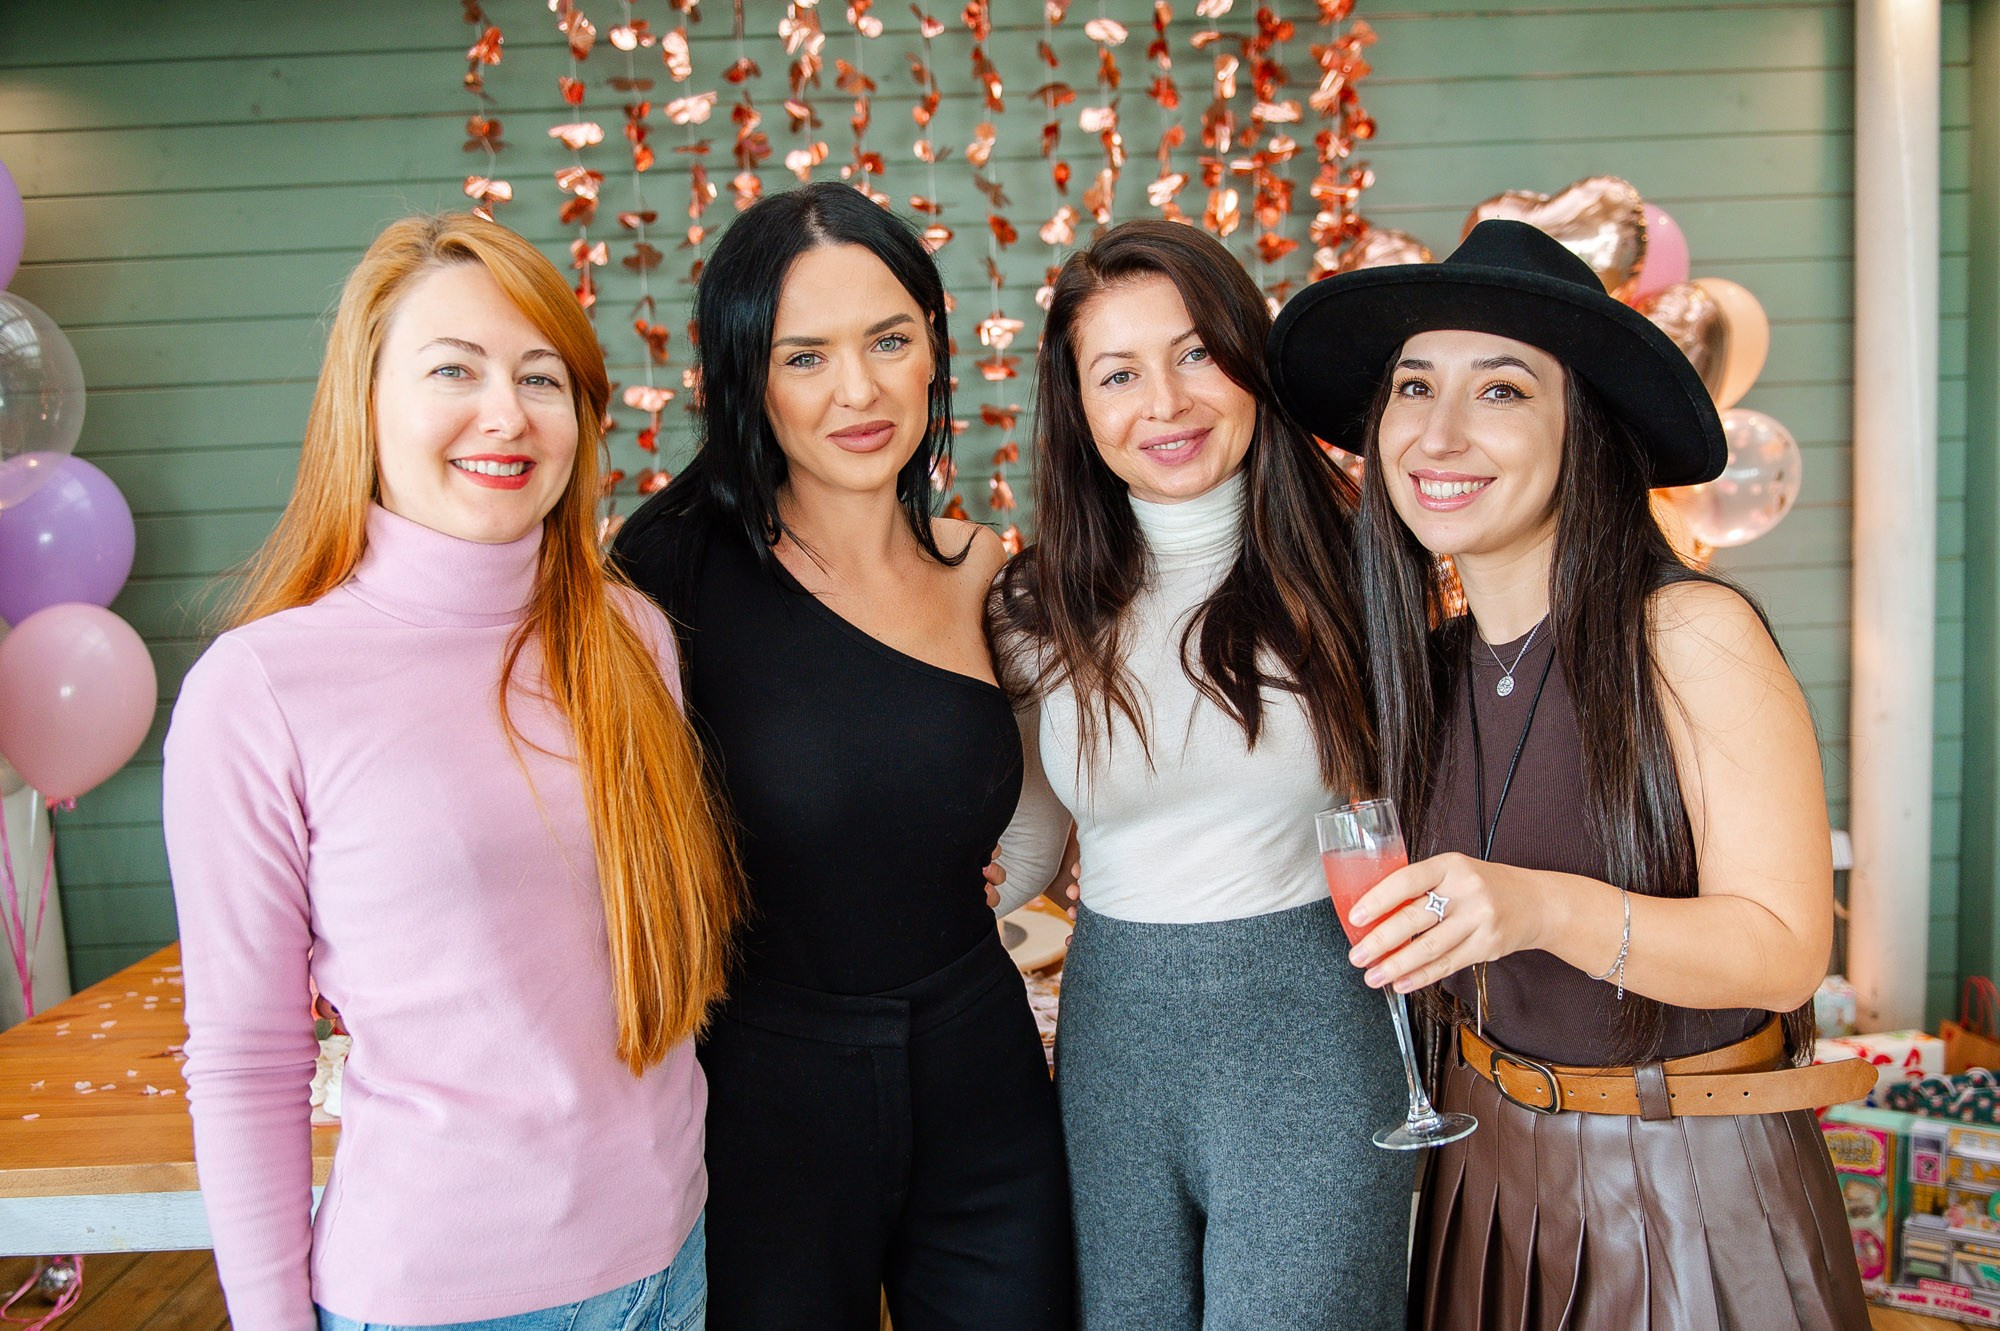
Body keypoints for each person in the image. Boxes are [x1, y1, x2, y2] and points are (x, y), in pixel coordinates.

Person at [1267, 218, 1875, 1330]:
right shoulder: (1429, 671)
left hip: (1685, 1184)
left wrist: (1536, 906)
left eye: (1499, 391)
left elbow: (1784, 950)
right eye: (1412, 386)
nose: (1437, 433)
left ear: (1580, 427)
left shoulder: (1685, 632)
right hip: (1481, 1180)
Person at [162, 213, 736, 1331]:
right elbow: (245, 1057)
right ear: (364, 402)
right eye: (453, 370)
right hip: (441, 1298)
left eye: (541, 377)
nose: (506, 414)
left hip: (672, 1261)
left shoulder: (631, 637)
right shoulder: (261, 687)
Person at [612, 182, 1073, 1331]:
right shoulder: (665, 572)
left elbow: (1033, 792)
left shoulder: (986, 568)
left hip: (980, 1069)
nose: (858, 390)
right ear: (743, 378)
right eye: (803, 356)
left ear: (933, 350)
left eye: (887, 340)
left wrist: (1003, 877)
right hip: (764, 1091)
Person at [988, 219, 1411, 1330]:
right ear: (1079, 407)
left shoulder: (1366, 574)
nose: (1163, 403)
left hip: (1313, 1026)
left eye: (1192, 353)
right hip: (1113, 1029)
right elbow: (1031, 840)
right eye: (1116, 372)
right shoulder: (1036, 609)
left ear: (1246, 359)